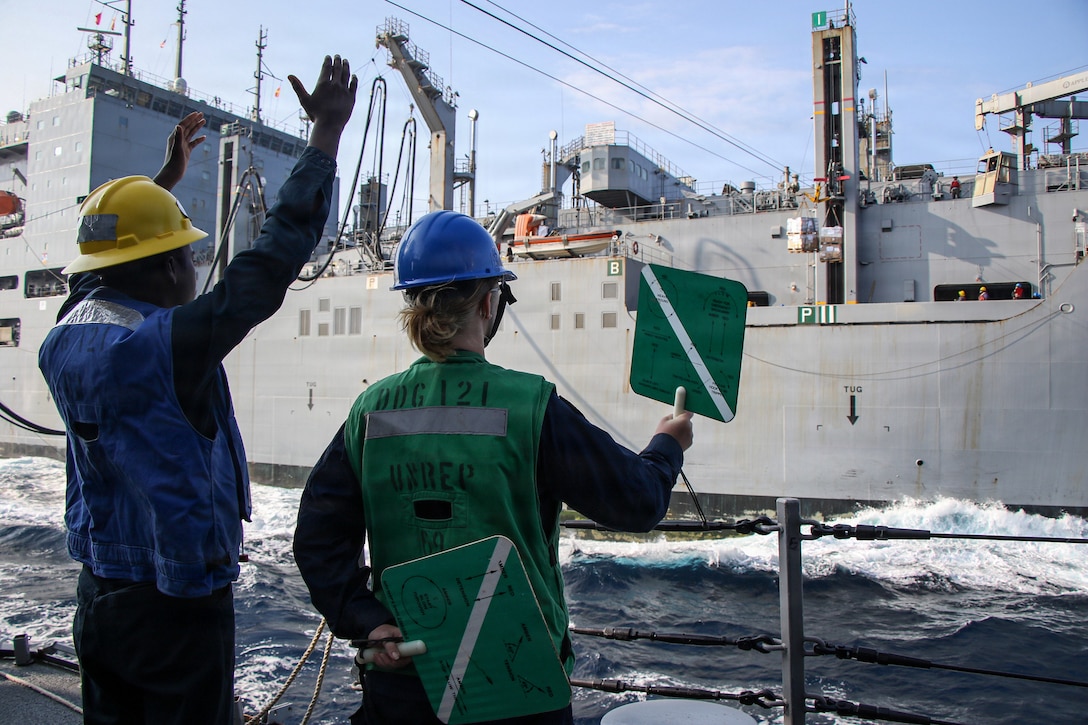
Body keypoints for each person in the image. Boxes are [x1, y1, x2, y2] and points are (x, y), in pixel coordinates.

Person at [37, 56, 357, 724]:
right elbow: (269, 265)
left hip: (99, 596)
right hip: (176, 609)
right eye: (182, 253)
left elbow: (104, 266)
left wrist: (161, 190)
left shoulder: (67, 333)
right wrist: (325, 135)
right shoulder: (165, 349)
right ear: (160, 269)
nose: (192, 267)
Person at [293, 210, 694, 725]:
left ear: (413, 305)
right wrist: (668, 443)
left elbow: (316, 540)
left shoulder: (369, 411)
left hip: (404, 683)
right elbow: (638, 502)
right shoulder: (531, 407)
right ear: (489, 302)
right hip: (518, 684)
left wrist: (368, 621)